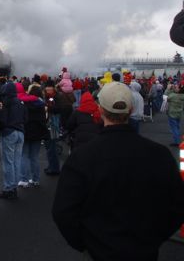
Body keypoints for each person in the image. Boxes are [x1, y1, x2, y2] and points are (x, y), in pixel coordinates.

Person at [53, 82, 184, 260]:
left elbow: (63, 211)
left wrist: (85, 243)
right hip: (144, 250)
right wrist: (154, 238)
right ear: (130, 110)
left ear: (100, 111)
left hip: (98, 251)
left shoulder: (81, 157)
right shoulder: (160, 155)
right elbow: (177, 204)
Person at [0, 82, 26, 200]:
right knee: (17, 161)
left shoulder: (5, 103)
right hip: (20, 132)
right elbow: (25, 118)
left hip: (9, 132)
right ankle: (14, 188)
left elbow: (1, 120)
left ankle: (9, 188)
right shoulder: (21, 103)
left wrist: (0, 128)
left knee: (8, 162)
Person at [18, 86, 48, 188]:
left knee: (24, 156)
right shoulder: (42, 105)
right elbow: (44, 120)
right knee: (34, 157)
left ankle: (24, 179)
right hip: (38, 133)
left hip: (26, 132)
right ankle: (36, 179)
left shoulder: (24, 104)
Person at [164, 81, 184, 147]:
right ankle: (177, 138)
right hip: (179, 113)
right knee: (177, 127)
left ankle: (176, 142)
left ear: (179, 89)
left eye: (176, 87)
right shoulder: (182, 96)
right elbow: (174, 93)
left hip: (172, 114)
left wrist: (168, 89)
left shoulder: (173, 96)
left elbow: (165, 97)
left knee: (174, 128)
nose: (175, 87)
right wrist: (173, 89)